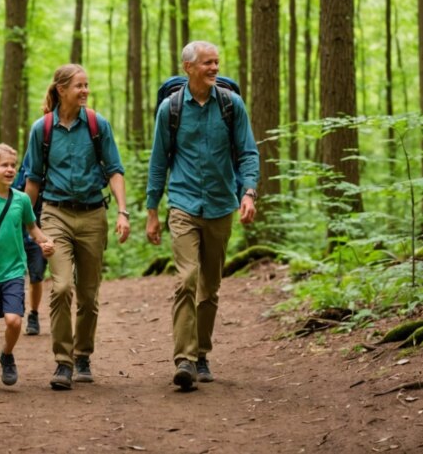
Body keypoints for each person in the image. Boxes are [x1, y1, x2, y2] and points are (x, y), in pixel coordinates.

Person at [145, 41, 260, 391]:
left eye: (217, 63)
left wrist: (249, 192)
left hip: (221, 205)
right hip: (182, 203)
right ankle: (184, 359)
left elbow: (247, 152)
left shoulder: (231, 105)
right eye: (208, 63)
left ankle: (203, 354)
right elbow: (158, 161)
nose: (214, 69)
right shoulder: (171, 108)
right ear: (188, 67)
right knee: (186, 279)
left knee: (209, 286)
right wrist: (152, 211)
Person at [23, 64, 130, 390]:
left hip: (93, 215)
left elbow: (114, 170)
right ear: (61, 89)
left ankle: (84, 355)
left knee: (87, 294)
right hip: (55, 214)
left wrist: (123, 212)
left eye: (87, 85)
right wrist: (25, 223)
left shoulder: (98, 125)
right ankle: (63, 362)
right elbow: (33, 182)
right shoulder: (42, 129)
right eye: (79, 86)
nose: (85, 91)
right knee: (62, 287)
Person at [0, 144, 55, 393]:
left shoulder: (22, 199)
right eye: (4, 165)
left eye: (13, 165)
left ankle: (6, 355)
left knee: (14, 321)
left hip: (14, 270)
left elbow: (32, 228)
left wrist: (45, 241)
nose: (10, 170)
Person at [12, 150, 47, 335]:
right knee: (17, 271)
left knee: (37, 274)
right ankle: (16, 310)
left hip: (46, 219)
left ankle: (33, 314)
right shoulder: (29, 159)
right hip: (21, 222)